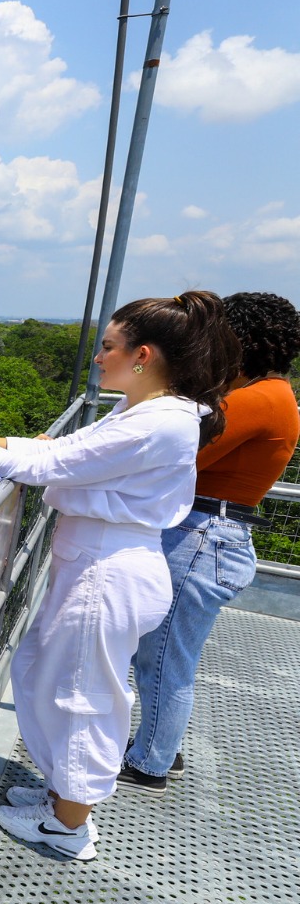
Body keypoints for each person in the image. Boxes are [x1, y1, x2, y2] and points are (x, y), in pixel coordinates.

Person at [0, 291, 239, 860]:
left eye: (107, 347)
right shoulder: (143, 413)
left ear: (141, 355)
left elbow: (47, 465)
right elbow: (64, 449)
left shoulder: (157, 423)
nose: (97, 359)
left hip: (106, 574)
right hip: (98, 565)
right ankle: (66, 798)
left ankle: (67, 826)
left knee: (82, 694)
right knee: (51, 673)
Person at [120, 291, 300, 794]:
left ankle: (151, 763)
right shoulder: (271, 394)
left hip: (203, 537)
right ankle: (158, 748)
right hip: (207, 533)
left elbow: (174, 458)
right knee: (161, 653)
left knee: (165, 657)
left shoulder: (256, 400)